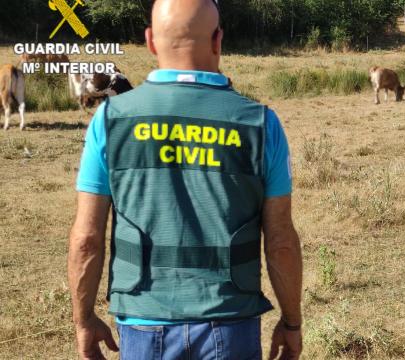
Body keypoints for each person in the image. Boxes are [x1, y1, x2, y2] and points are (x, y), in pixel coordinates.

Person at [67, 0, 303, 358]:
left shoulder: (110, 120)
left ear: (149, 41)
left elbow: (86, 239)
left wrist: (83, 319)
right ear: (218, 40)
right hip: (231, 321)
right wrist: (291, 323)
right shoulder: (261, 124)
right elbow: (281, 241)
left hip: (144, 320)